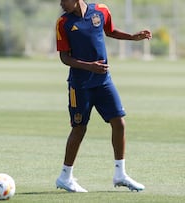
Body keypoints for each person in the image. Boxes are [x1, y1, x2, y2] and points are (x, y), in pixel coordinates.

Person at [55, 0, 152, 193]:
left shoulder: (101, 10)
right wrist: (89, 66)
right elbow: (64, 58)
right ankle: (65, 177)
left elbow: (110, 31)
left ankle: (120, 174)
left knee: (119, 122)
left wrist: (132, 38)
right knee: (79, 129)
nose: (60, 3)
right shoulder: (63, 23)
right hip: (80, 85)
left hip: (103, 82)